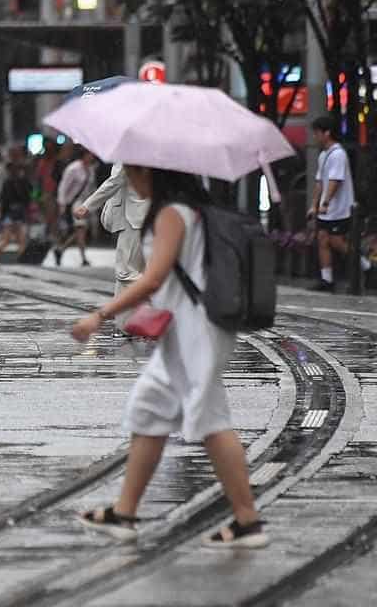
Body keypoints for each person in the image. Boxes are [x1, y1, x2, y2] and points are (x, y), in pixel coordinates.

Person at [71, 166, 267, 549]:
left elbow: (152, 278)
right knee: (148, 409)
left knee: (211, 420)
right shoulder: (186, 208)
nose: (130, 176)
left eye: (133, 170)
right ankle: (124, 513)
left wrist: (101, 315)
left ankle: (248, 521)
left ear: (152, 172)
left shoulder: (172, 213)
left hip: (197, 332)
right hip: (182, 332)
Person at [307, 116, 367, 291]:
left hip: (339, 208)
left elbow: (335, 181)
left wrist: (325, 203)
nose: (315, 137)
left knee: (335, 241)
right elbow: (320, 182)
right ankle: (327, 280)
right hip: (327, 209)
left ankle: (364, 265)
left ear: (327, 133)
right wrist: (314, 204)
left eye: (317, 133)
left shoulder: (338, 154)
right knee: (322, 239)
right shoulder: (324, 155)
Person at [76, 163, 149, 299]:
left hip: (134, 217)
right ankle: (122, 313)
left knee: (127, 272)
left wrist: (87, 206)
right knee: (131, 270)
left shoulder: (131, 150)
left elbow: (116, 180)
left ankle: (151, 301)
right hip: (140, 215)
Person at [0, 162, 34, 266]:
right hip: (13, 215)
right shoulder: (15, 182)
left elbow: (3, 201)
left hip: (12, 215)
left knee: (17, 240)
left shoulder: (12, 182)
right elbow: (25, 197)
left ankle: (21, 261)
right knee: (9, 240)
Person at [54, 146, 96, 266]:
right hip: (74, 203)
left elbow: (91, 188)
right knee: (81, 229)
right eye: (89, 154)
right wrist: (61, 203)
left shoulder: (90, 169)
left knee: (80, 231)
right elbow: (63, 186)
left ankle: (60, 250)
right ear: (84, 155)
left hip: (86, 202)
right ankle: (83, 258)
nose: (92, 157)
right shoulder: (73, 168)